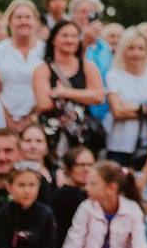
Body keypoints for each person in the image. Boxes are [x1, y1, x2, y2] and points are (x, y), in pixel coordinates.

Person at [31, 20, 107, 158]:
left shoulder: (88, 67)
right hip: (53, 135)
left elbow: (99, 96)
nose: (70, 40)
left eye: (74, 36)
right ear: (54, 39)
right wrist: (84, 95)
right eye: (65, 35)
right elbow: (44, 103)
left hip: (83, 135)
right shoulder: (42, 69)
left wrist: (64, 92)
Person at [103, 30, 147, 167]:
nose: (136, 53)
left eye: (140, 48)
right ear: (123, 50)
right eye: (131, 48)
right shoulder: (114, 76)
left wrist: (136, 107)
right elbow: (118, 112)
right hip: (119, 145)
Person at [0, 0, 46, 134]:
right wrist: (8, 121)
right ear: (9, 21)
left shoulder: (47, 50)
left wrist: (31, 119)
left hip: (39, 121)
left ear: (36, 22)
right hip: (3, 121)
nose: (23, 21)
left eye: (28, 17)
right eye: (18, 17)